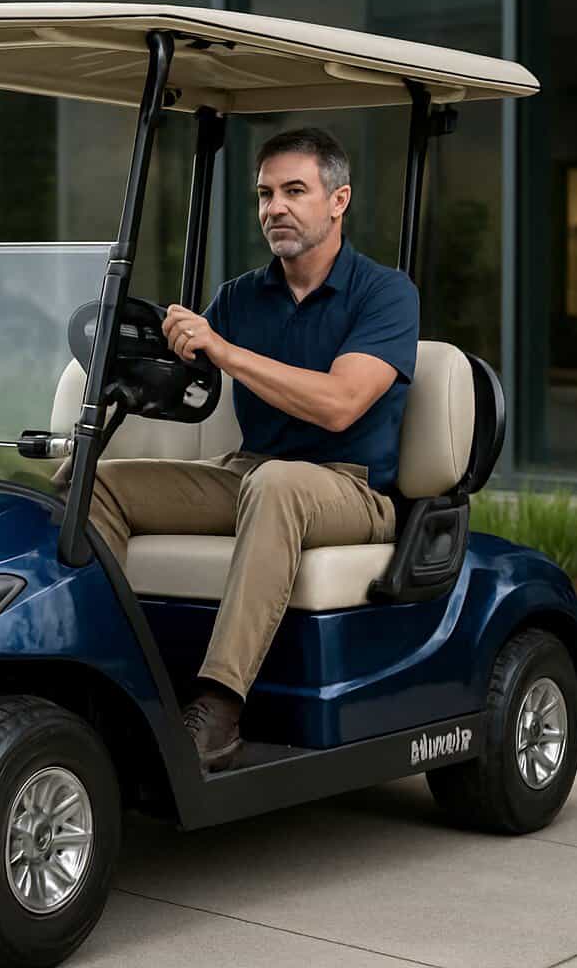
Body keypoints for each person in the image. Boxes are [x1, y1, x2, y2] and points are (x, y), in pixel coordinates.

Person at [75, 127, 419, 770]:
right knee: (99, 480)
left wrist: (225, 349)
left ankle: (219, 704)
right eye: (265, 195)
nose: (274, 209)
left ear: (338, 200)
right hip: (251, 476)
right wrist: (143, 356)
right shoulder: (240, 296)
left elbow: (340, 402)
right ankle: (102, 675)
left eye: (294, 191)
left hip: (351, 488)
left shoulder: (385, 293)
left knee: (279, 483)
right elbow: (190, 380)